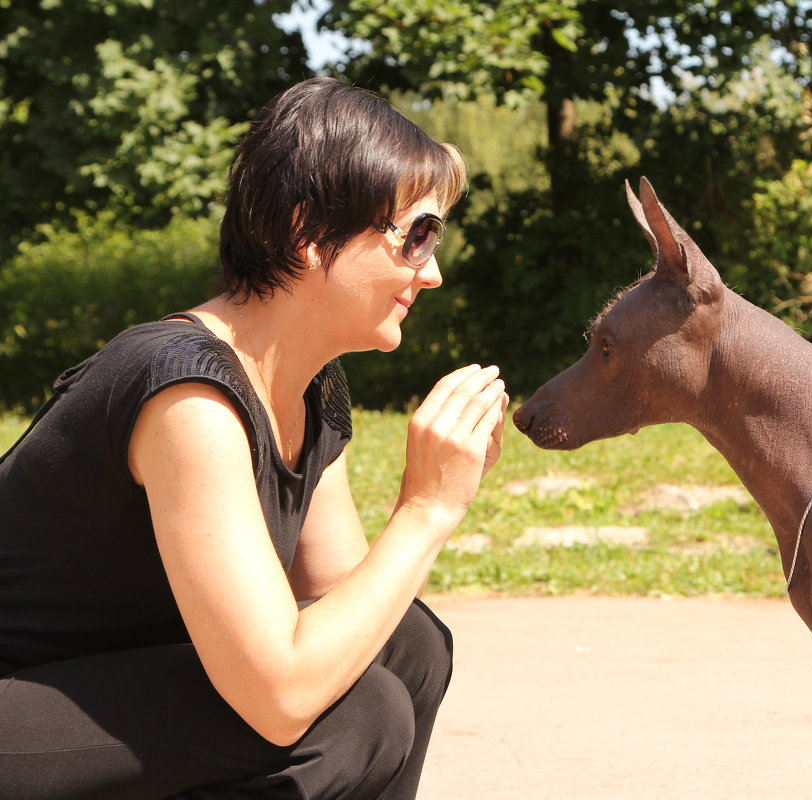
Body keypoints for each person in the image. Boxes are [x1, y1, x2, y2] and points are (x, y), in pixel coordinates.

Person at [0, 76, 507, 799]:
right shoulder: (187, 395)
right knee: (354, 714)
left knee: (409, 648)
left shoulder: (309, 382)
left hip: (108, 679)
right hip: (18, 700)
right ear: (308, 234)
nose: (432, 272)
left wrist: (441, 490)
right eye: (415, 235)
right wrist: (426, 511)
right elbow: (279, 696)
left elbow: (342, 598)